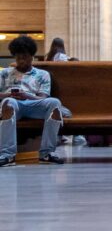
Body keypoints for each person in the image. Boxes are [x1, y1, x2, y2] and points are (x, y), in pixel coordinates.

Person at [0, 35, 67, 166]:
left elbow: (43, 97)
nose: (21, 60)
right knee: (8, 103)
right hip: (13, 104)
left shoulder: (42, 74)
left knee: (54, 103)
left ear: (32, 57)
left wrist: (26, 95)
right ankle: (7, 155)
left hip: (33, 103)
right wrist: (8, 95)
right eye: (18, 57)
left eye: (24, 56)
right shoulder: (4, 73)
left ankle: (47, 153)